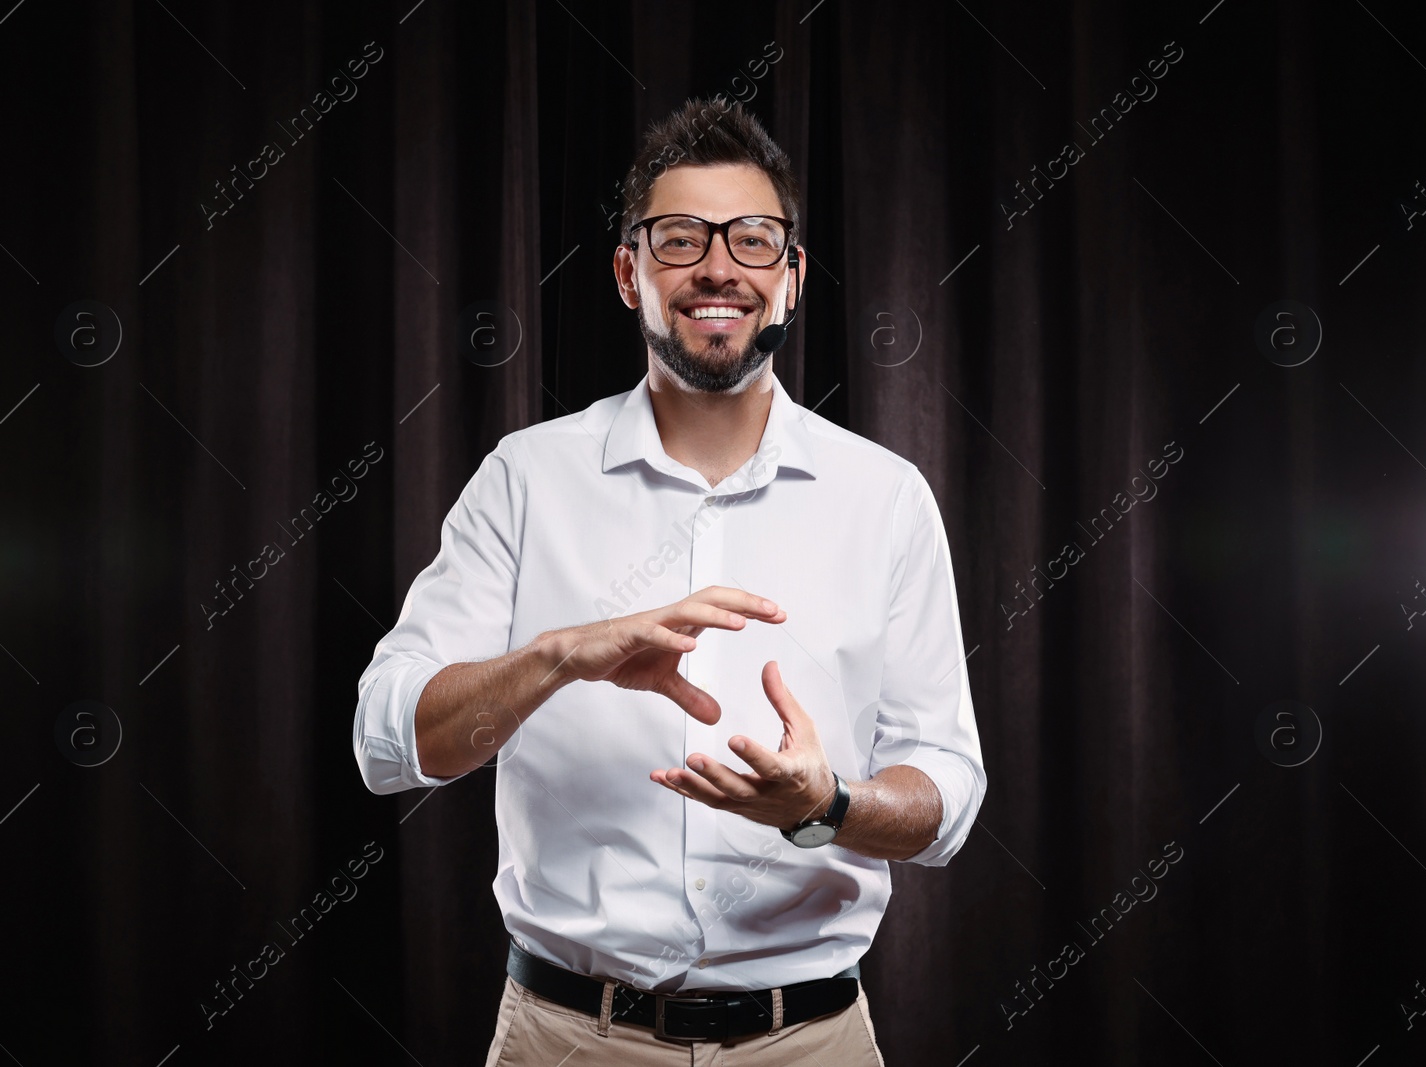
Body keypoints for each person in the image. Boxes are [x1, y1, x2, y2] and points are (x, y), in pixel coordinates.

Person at [353, 96, 985, 1065]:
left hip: (810, 1041)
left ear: (792, 276)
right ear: (628, 272)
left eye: (754, 239)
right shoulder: (526, 481)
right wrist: (561, 656)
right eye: (680, 239)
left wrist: (826, 806)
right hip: (566, 1037)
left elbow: (945, 790)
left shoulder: (884, 497)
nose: (718, 267)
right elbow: (387, 740)